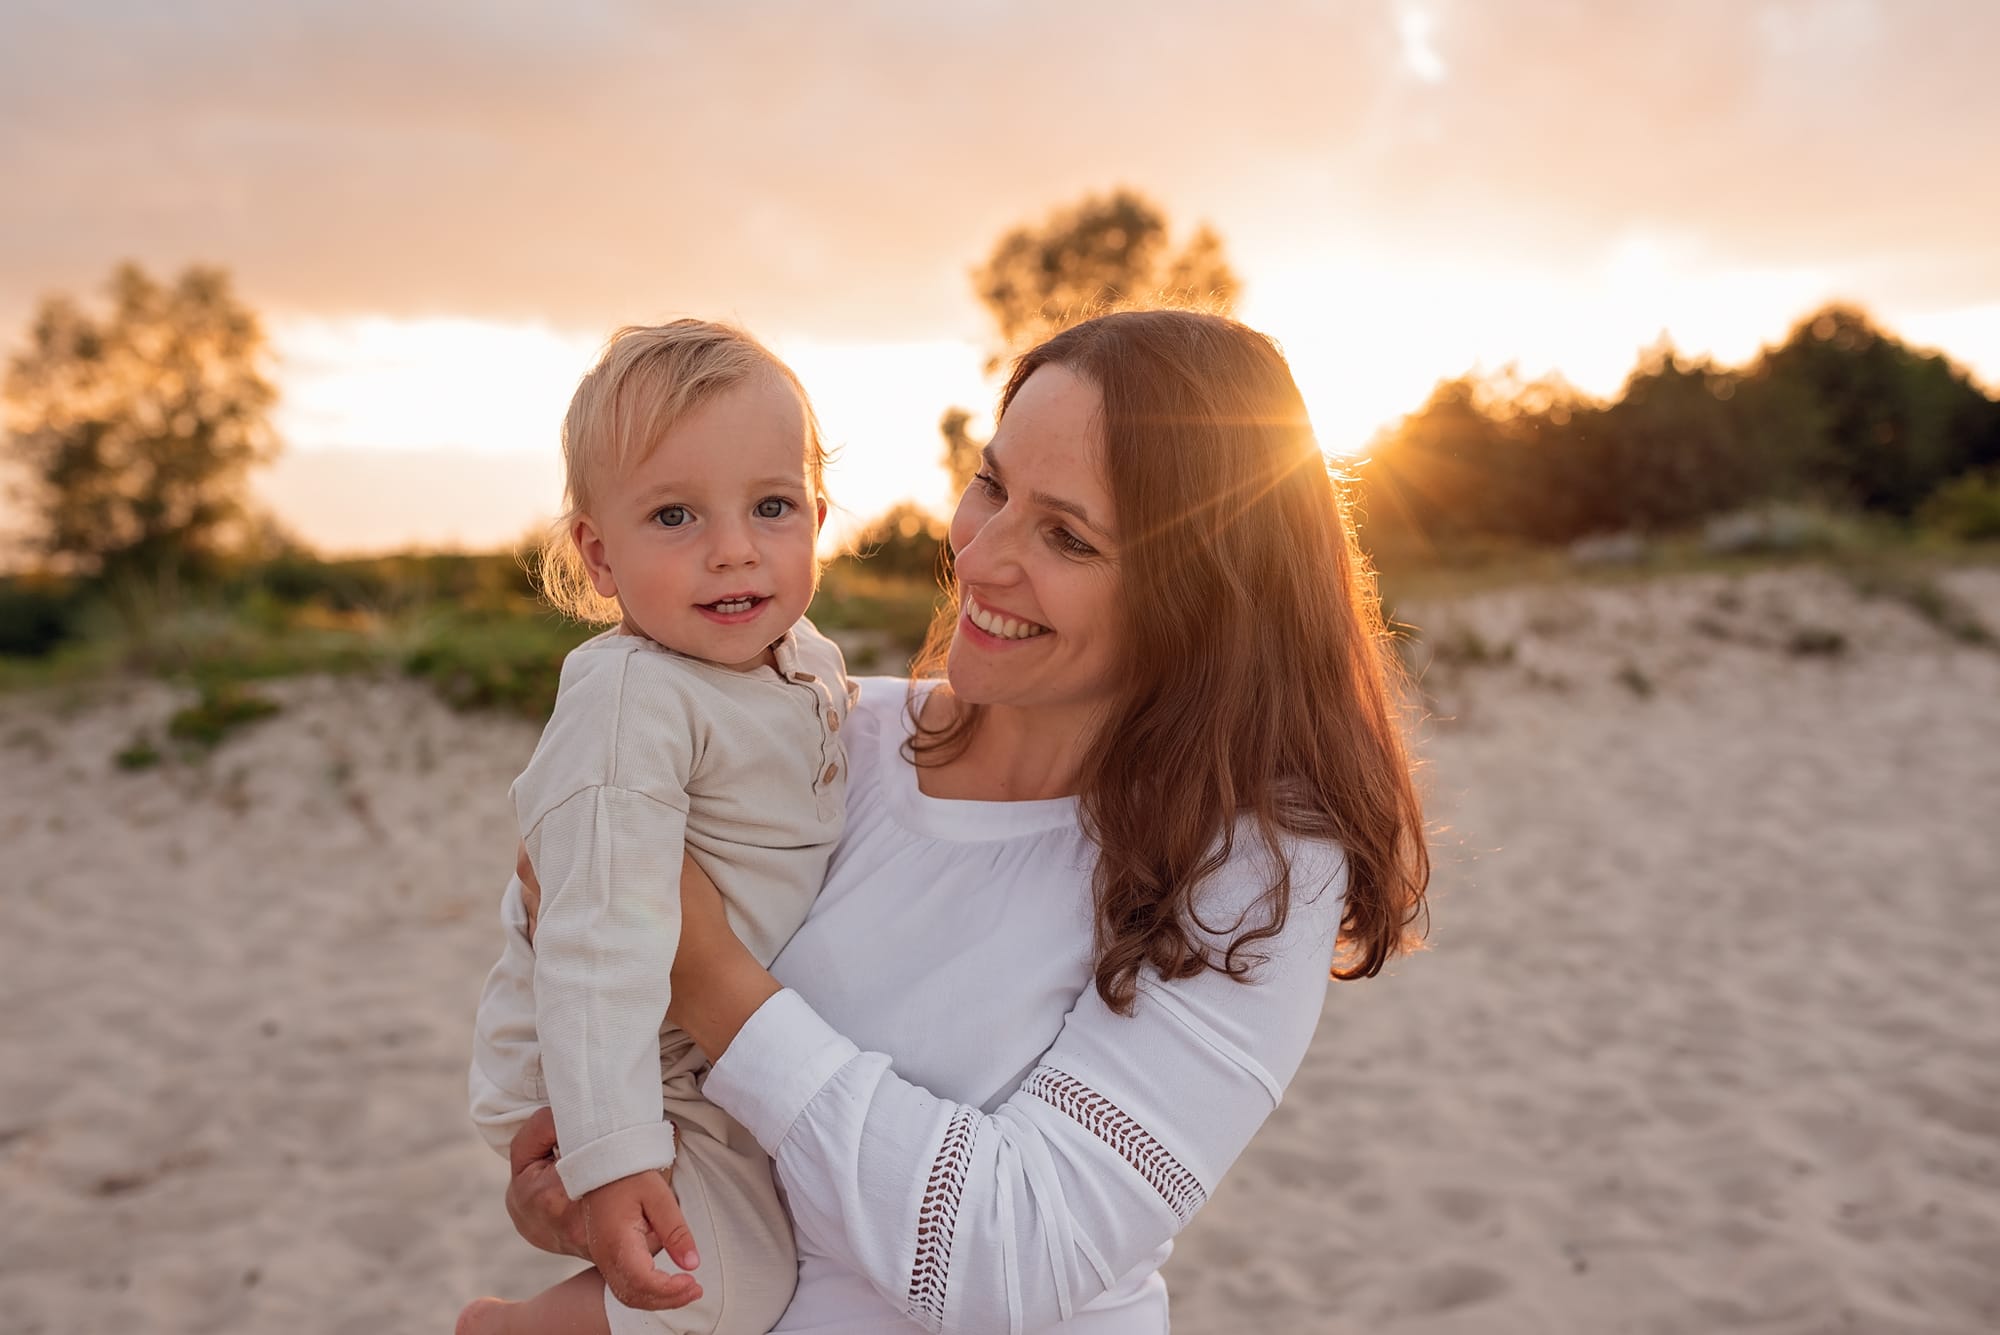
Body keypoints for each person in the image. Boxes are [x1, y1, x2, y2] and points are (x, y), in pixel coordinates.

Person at [504, 308, 1430, 1333]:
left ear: (1197, 595)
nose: (981, 556)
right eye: (991, 486)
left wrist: (706, 975)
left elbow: (1010, 1259)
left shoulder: (1250, 868)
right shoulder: (819, 742)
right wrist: (590, 1171)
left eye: (1066, 536)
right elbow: (582, 976)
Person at [459, 321, 856, 1335]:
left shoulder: (801, 658)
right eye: (674, 515)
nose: (733, 549)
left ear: (817, 516)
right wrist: (614, 1151)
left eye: (770, 507)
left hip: (694, 1044)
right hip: (622, 1055)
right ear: (598, 554)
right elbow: (594, 940)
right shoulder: (630, 699)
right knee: (719, 1288)